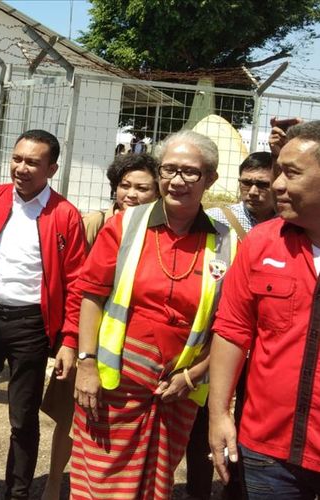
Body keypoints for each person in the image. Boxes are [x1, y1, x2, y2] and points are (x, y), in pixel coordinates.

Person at [70, 130, 238, 499]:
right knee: (99, 482)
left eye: (190, 172)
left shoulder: (227, 243)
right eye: (169, 170)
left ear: (210, 178)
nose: (177, 181)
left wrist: (193, 376)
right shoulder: (126, 225)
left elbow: (229, 326)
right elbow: (92, 295)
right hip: (114, 385)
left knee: (155, 485)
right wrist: (86, 364)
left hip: (175, 391)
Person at [0, 130, 86, 500]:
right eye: (17, 158)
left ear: (51, 168)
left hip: (32, 327)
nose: (21, 168)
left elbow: (76, 283)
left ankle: (18, 491)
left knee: (23, 416)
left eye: (33, 162)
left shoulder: (65, 215)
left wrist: (70, 339)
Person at [209, 121, 320, 499]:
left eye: (290, 173)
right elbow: (232, 329)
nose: (275, 185)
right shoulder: (261, 243)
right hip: (268, 454)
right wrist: (220, 414)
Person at [40, 152, 159, 500]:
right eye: (125, 186)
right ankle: (51, 484)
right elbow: (78, 287)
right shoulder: (95, 222)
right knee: (69, 417)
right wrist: (71, 341)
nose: (131, 195)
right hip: (86, 341)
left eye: (142, 188)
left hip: (128, 347)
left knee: (112, 427)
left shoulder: (156, 231)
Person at [181, 151, 276, 500]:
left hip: (262, 343)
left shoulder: (288, 227)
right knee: (205, 418)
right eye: (246, 183)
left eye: (261, 184)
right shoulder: (217, 221)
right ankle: (198, 491)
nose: (252, 191)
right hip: (218, 336)